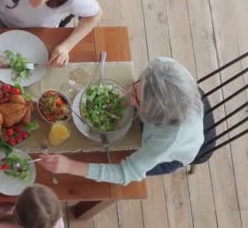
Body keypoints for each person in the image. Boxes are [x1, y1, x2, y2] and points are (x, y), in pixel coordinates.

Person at [39, 57, 205, 185]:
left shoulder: (168, 139)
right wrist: (133, 93)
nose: (129, 100)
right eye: (135, 88)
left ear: (156, 115)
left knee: (112, 157)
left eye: (138, 102)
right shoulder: (162, 66)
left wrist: (69, 167)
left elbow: (127, 173)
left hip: (173, 155)